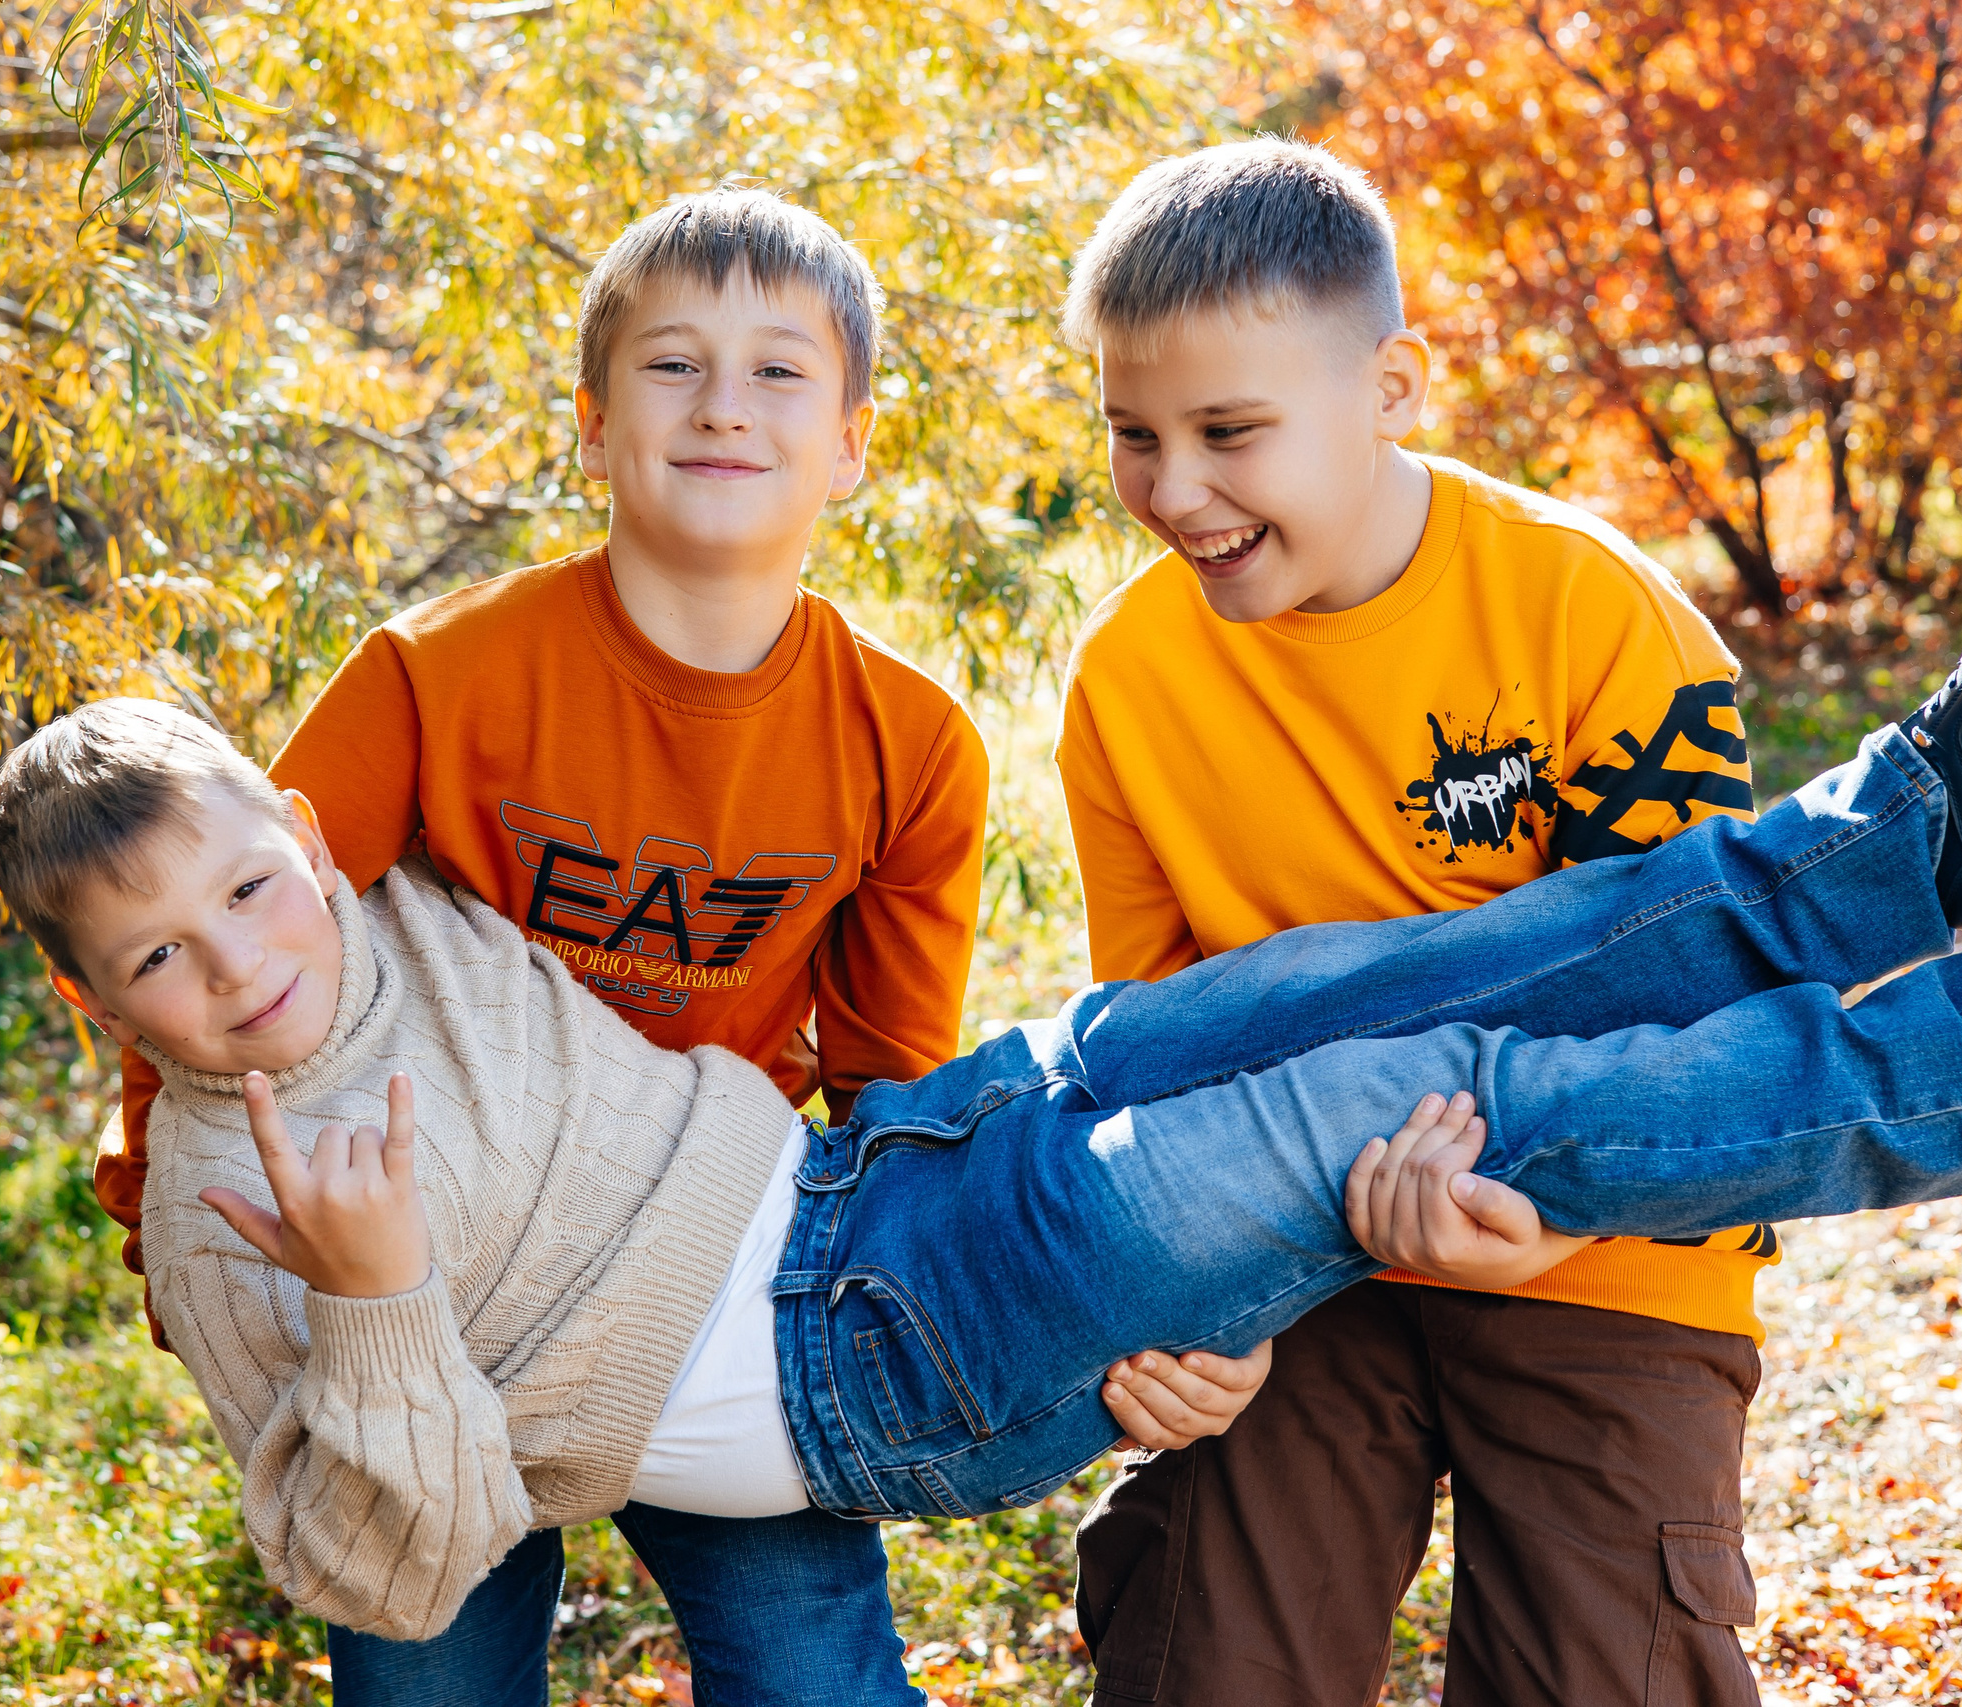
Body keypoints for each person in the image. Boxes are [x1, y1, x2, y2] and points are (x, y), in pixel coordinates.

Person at [0, 648, 1962, 1670]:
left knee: (1364, 982)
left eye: (247, 886)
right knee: (1390, 1097)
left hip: (897, 1170)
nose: (235, 967)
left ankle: (1889, 842)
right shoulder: (220, 1205)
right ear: (103, 1005)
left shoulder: (399, 895)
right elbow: (386, 1552)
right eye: (155, 959)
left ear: (302, 826)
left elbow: (501, 694)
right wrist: (370, 1288)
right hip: (872, 1357)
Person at [82, 189, 1260, 1704]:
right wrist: (160, 1234)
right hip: (424, 1290)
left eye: (780, 371)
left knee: (815, 1677)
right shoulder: (434, 680)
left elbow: (896, 1091)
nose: (722, 405)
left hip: (717, 1272)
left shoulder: (906, 744)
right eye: (670, 366)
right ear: (589, 420)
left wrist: (1064, 1306)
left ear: (852, 442)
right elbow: (207, 947)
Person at [1048, 138, 1962, 1704]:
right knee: (1208, 1649)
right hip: (1300, 1265)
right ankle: (1938, 859)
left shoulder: (1588, 608)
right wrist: (1187, 1308)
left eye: (1229, 431)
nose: (1175, 489)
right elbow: (1166, 1049)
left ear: (1394, 387)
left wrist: (1539, 1228)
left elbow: (1703, 1011)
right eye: (1132, 435)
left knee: (1605, 1668)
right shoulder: (1128, 677)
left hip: (1604, 1251)